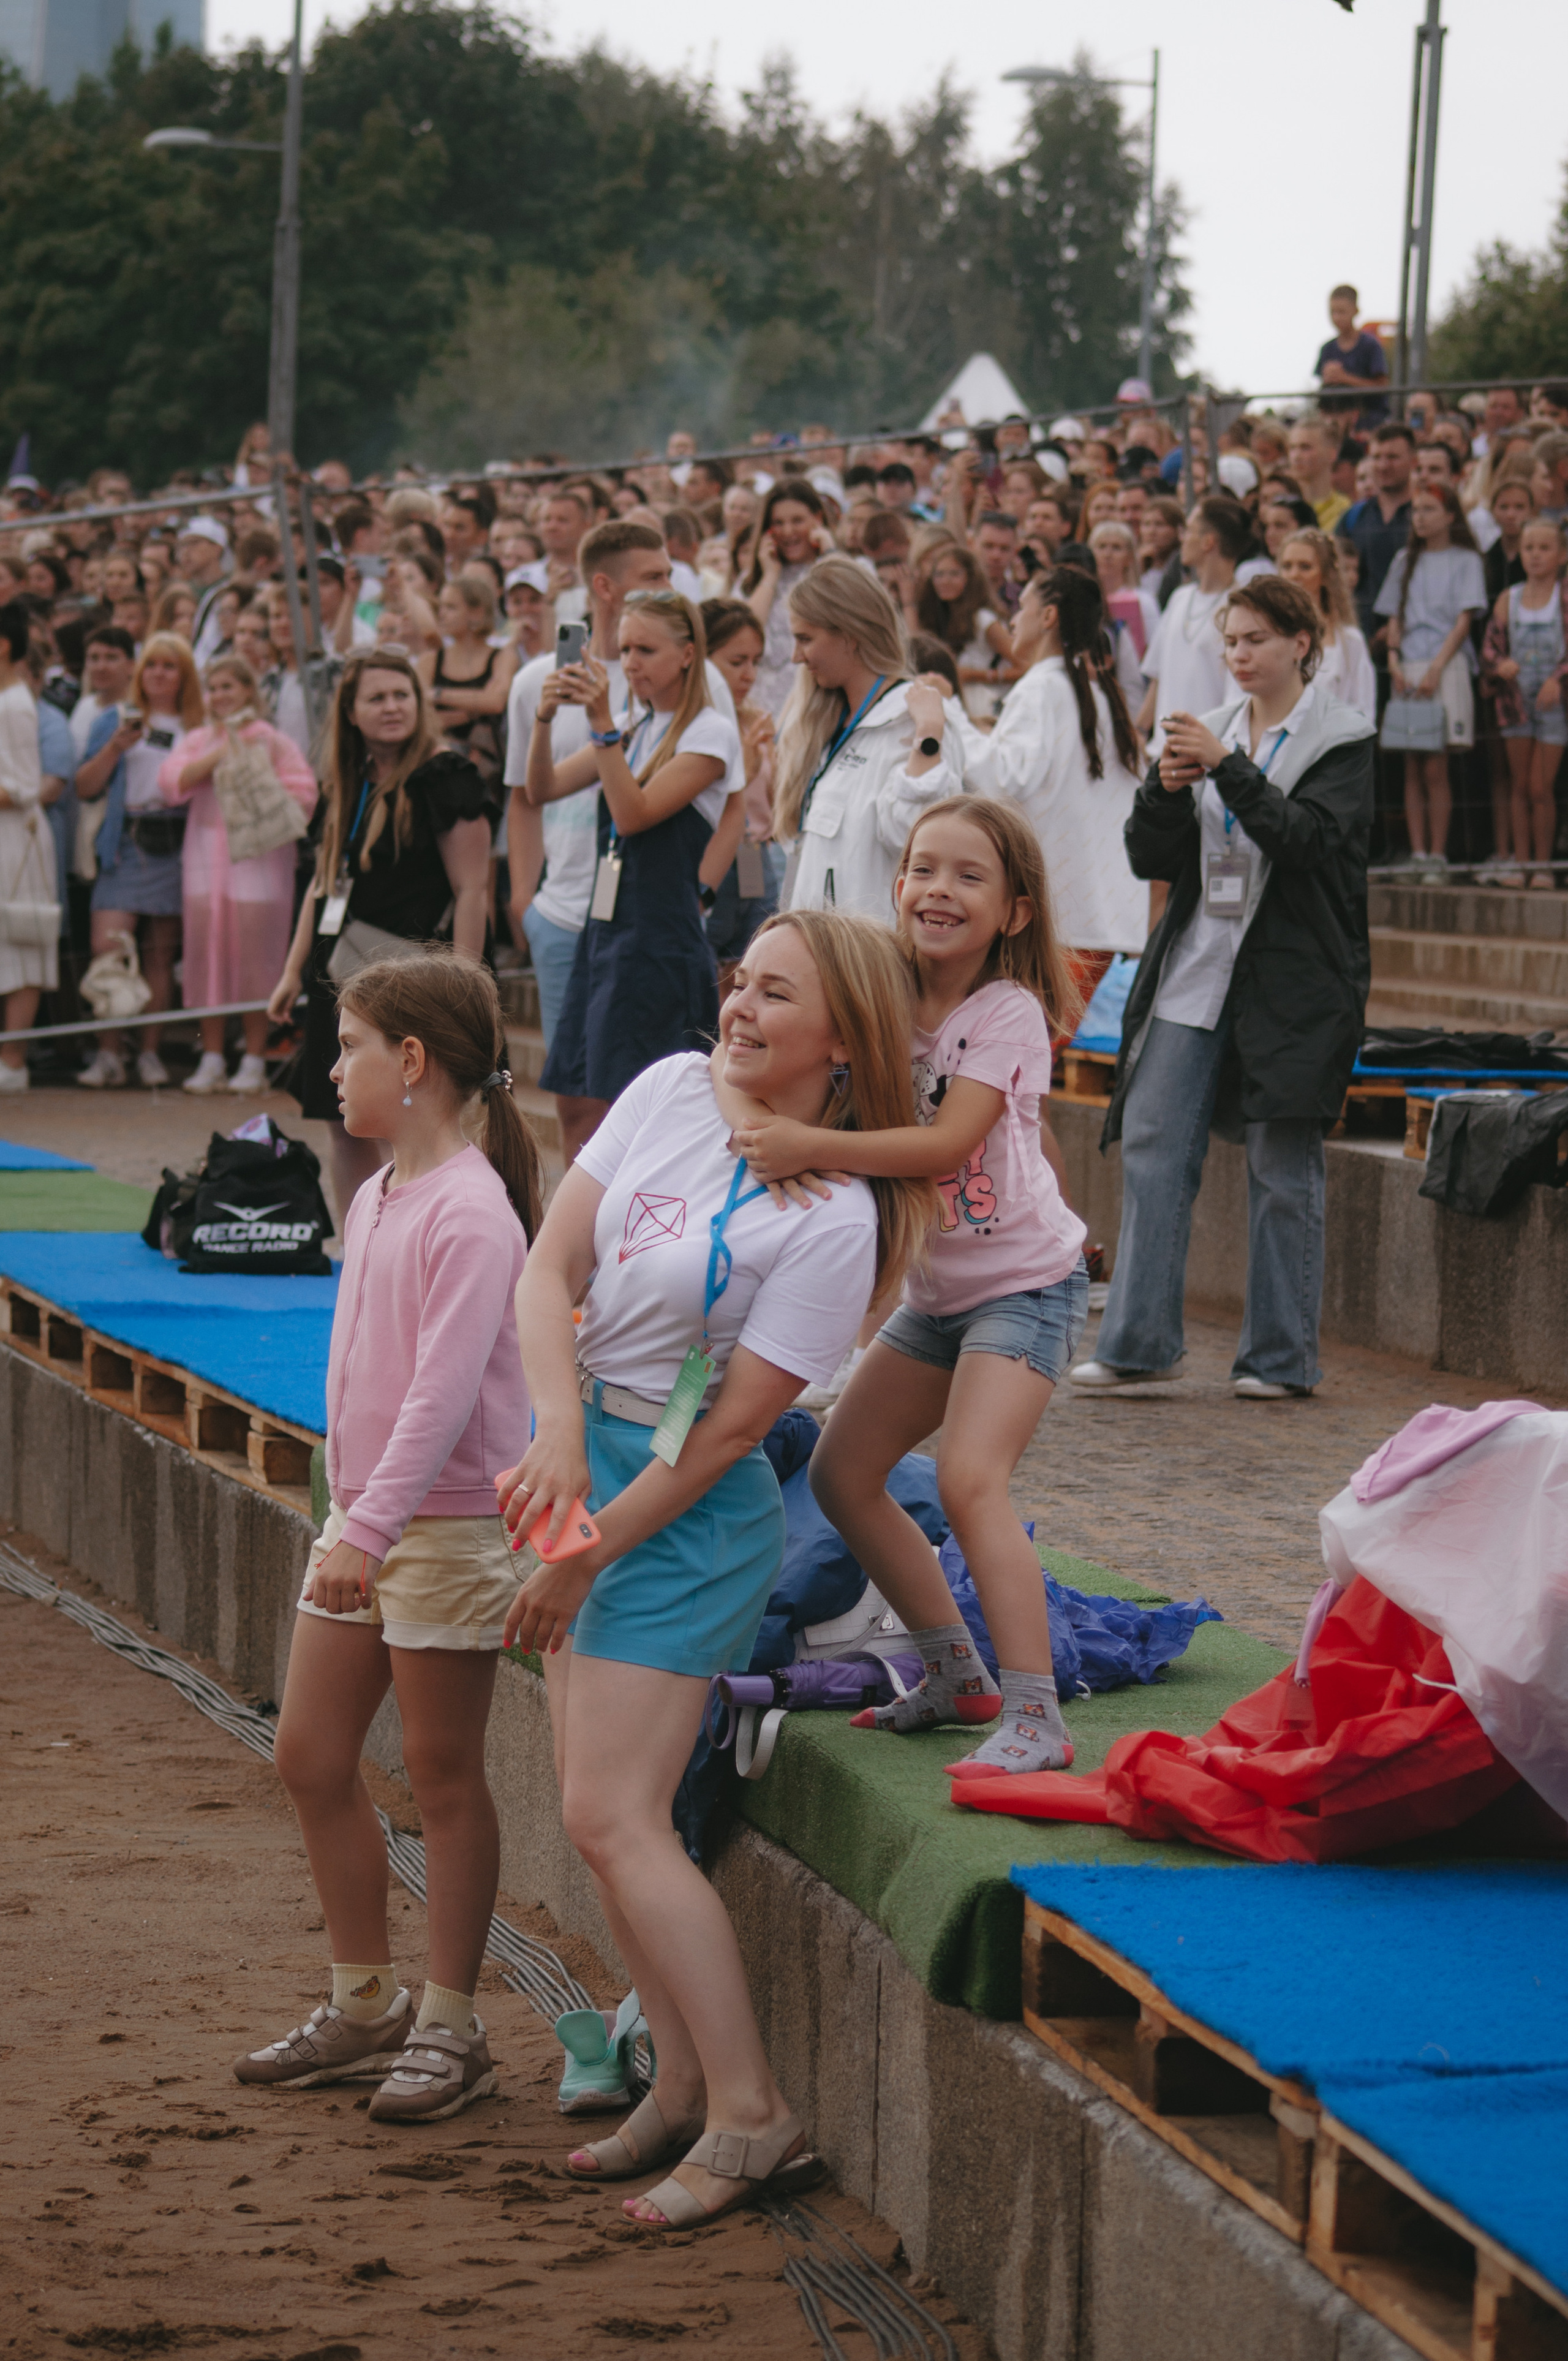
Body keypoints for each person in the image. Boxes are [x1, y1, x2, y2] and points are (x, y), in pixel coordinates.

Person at [493, 910, 929, 2224]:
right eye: (740, 980)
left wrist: (585, 1550)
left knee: (618, 1816)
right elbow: (549, 1265)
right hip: (587, 1461)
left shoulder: (837, 1214)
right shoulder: (671, 1085)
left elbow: (736, 1428)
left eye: (775, 993)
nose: (738, 1006)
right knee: (596, 1816)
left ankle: (751, 2112)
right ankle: (678, 2084)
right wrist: (557, 1431)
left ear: (843, 1040)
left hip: (681, 1520)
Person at [241, 951, 543, 2123]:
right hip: (366, 1519)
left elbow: (444, 1394)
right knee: (310, 1752)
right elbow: (358, 1369)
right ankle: (365, 2001)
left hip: (446, 1528)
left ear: (411, 1060)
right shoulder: (374, 1193)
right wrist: (351, 1507)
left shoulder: (473, 1210)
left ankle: (452, 2023)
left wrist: (364, 1525)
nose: (333, 1066)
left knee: (442, 1771)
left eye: (350, 1044)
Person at [735, 800, 1088, 1778]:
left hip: (1027, 1288)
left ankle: (1038, 1716)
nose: (939, 889)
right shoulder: (881, 994)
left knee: (972, 1478)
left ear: (1015, 912)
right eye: (924, 868)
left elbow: (946, 1143)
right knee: (842, 1474)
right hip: (936, 1299)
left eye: (970, 876)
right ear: (896, 886)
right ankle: (956, 1676)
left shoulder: (1007, 1013)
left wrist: (807, 1144)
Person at [1072, 576, 1375, 1400]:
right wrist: (1165, 790)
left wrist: (1227, 767)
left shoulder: (1342, 738)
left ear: (1301, 644)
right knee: (1154, 1143)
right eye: (1230, 641)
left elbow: (1305, 840)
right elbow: (1150, 856)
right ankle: (1140, 1343)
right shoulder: (1212, 728)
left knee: (1283, 1165)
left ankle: (1279, 1358)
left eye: (1255, 640)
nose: (1239, 655)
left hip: (1296, 979)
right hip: (1197, 963)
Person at [267, 648, 496, 1224]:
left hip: (417, 986)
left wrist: (462, 987)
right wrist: (291, 970)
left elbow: (473, 890)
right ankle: (361, 1249)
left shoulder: (445, 776)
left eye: (402, 695)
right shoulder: (348, 780)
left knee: (416, 1123)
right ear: (350, 711)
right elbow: (322, 883)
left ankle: (421, 1238)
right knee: (344, 1122)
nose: (392, 707)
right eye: (377, 698)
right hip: (339, 977)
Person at [527, 591, 741, 1157]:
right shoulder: (632, 725)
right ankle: (581, 1213)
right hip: (606, 932)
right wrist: (545, 717)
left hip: (658, 940)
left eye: (646, 650)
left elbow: (633, 814)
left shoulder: (710, 732)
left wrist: (602, 726)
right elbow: (541, 788)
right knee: (576, 1098)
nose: (630, 663)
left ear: (688, 654)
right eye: (624, 650)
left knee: (640, 1109)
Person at [963, 567, 1147, 1007]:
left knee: (1020, 1042)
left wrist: (949, 723)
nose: (1012, 619)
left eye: (1022, 606)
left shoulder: (1042, 689)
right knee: (1038, 1041)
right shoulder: (1097, 695)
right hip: (1094, 920)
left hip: (1051, 922)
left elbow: (1006, 781)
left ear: (1048, 616)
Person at [159, 652, 318, 1094]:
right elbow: (171, 782)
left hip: (259, 865)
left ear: (249, 690)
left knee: (257, 958)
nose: (220, 696)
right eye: (213, 688)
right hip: (205, 865)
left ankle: (253, 1057)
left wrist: (258, 783)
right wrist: (219, 754)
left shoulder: (272, 740)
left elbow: (304, 792)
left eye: (228, 686)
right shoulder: (198, 739)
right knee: (206, 956)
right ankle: (211, 1056)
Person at [774, 556, 961, 920]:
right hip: (818, 946)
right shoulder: (829, 721)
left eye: (805, 639)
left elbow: (922, 843)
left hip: (873, 949)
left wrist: (928, 738)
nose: (796, 657)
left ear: (850, 636)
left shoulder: (916, 718)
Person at [74, 630, 204, 1089]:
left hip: (176, 840)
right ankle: (109, 1053)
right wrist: (115, 747)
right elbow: (85, 786)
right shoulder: (114, 719)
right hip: (125, 841)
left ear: (184, 675)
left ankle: (149, 1052)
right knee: (108, 949)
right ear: (139, 671)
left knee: (159, 954)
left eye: (169, 666)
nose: (159, 674)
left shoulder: (198, 724)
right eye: (151, 665)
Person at [1375, 483, 1486, 877]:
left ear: (1450, 516)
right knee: (1411, 762)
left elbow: (1463, 621)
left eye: (1429, 510)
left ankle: (1437, 854)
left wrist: (1437, 667)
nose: (1419, 518)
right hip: (1408, 667)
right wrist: (1395, 661)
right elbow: (1394, 617)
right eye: (1416, 510)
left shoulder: (1466, 560)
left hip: (1445, 665)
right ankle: (1418, 853)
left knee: (1436, 766)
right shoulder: (1404, 560)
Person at [698, 599, 782, 984]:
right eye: (737, 662)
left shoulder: (756, 720)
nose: (749, 675)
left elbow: (778, 806)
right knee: (705, 973)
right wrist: (744, 767)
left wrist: (777, 762)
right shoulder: (696, 727)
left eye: (755, 662)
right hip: (711, 858)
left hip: (755, 855)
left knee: (751, 969)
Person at [1481, 516, 1568, 888]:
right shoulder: (1508, 599)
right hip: (1515, 700)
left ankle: (1543, 866)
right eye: (1529, 547)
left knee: (1539, 787)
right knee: (1519, 785)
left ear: (1562, 555)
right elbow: (1489, 648)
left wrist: (1557, 678)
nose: (1535, 555)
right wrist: (1501, 664)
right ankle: (1521, 865)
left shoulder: (1564, 598)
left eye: (1545, 548)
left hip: (1553, 703)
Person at [1137, 497, 1251, 753]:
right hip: (1163, 752)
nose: (1183, 539)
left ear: (1208, 541)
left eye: (1188, 530)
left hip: (1209, 754)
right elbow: (1158, 676)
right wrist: (1140, 731)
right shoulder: (1179, 598)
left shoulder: (1242, 607)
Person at [0, 602, 54, 1092]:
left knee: (21, 938)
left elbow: (23, 786)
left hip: (17, 837)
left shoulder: (15, 705)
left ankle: (13, 1061)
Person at [743, 480, 837, 719]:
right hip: (764, 706)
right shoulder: (754, 580)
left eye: (797, 521)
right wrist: (770, 576)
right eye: (779, 523)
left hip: (818, 703)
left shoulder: (836, 567)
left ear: (817, 519)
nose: (788, 532)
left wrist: (829, 554)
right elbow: (745, 633)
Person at [420, 574, 516, 790]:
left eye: (451, 607)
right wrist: (472, 711)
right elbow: (420, 717)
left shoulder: (502, 658)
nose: (442, 614)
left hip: (486, 776)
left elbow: (495, 702)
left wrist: (437, 695)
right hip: (432, 770)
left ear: (477, 612)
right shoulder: (430, 661)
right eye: (441, 607)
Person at [1276, 530, 1376, 720]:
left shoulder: (1350, 641)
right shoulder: (1264, 634)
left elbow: (1364, 711)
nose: (1294, 575)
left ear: (1326, 575)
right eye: (1287, 566)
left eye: (1305, 567)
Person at [914, 543, 1011, 723]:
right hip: (956, 707)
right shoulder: (937, 618)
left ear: (970, 578)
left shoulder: (984, 620)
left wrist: (976, 675)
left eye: (954, 574)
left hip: (986, 710)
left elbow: (1025, 666)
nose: (946, 581)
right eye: (939, 574)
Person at [1340, 424, 1415, 640]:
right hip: (1359, 633)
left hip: (1412, 636)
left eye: (1393, 457)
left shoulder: (1425, 515)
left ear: (1413, 461)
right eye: (1377, 457)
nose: (1383, 465)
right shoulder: (1354, 517)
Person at [1313, 285, 1389, 425]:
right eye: (1333, 312)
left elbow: (1382, 387)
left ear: (1355, 311)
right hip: (1335, 423)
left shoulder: (1371, 345)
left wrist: (1344, 378)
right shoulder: (1327, 349)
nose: (1337, 318)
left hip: (1369, 421)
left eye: (1342, 312)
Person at [1286, 417, 1351, 535]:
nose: (1296, 456)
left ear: (1332, 453)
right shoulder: (1282, 507)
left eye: (1306, 448)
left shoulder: (1345, 511)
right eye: (1292, 448)